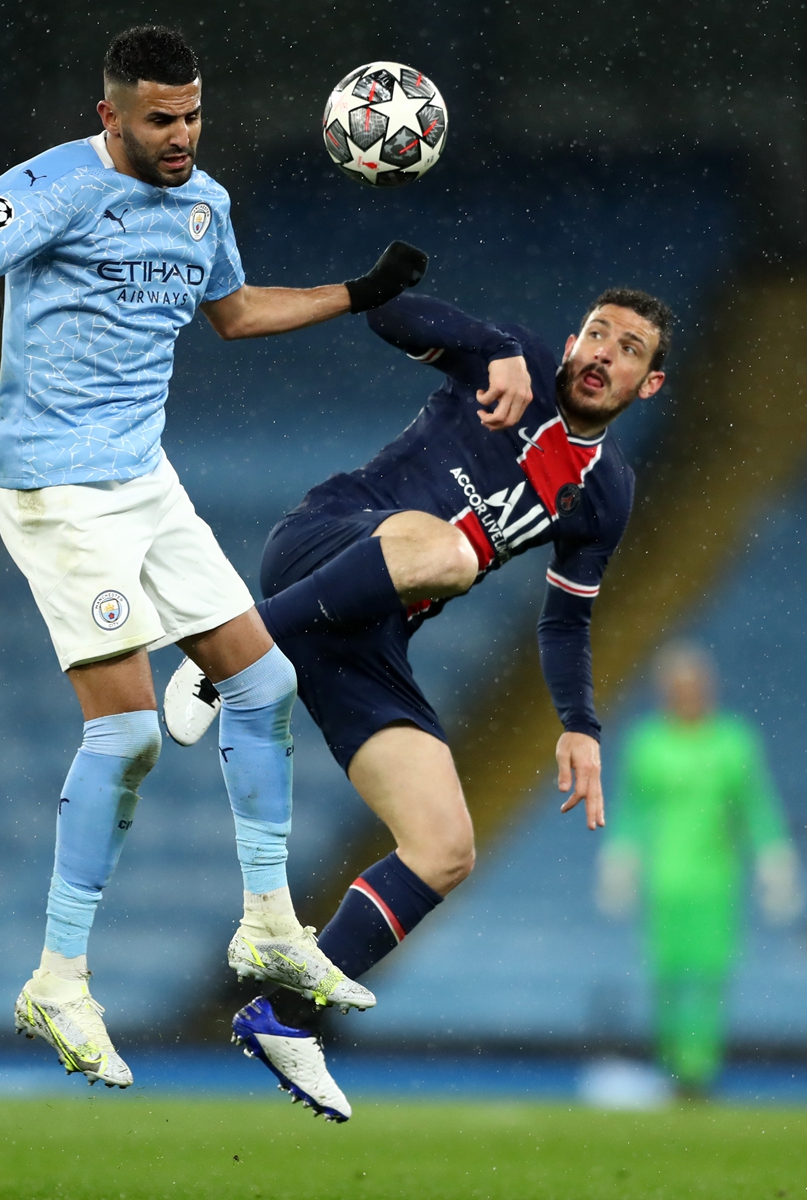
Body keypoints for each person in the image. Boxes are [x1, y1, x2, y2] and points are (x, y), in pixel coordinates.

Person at [0, 24, 428, 1089]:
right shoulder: (51, 185)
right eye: (159, 119)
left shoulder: (207, 205)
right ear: (109, 115)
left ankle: (265, 927)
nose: (181, 136)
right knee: (129, 731)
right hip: (58, 490)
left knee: (261, 679)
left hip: (144, 480)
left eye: (193, 115)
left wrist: (355, 294)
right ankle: (59, 979)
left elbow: (234, 313)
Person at [164, 283, 672, 1119]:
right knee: (452, 552)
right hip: (329, 543)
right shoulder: (519, 357)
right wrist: (486, 340)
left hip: (366, 636)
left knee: (445, 848)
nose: (603, 355)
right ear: (572, 335)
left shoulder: (607, 492)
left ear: (647, 385)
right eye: (597, 334)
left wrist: (579, 724)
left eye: (628, 350)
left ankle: (287, 1022)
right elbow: (389, 312)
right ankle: (233, 652)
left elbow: (567, 619)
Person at [596, 641, 802, 1096]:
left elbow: (757, 806)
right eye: (678, 686)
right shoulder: (648, 744)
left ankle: (699, 1070)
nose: (687, 694)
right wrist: (621, 857)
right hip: (665, 880)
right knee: (666, 975)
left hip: (717, 879)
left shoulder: (734, 741)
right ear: (665, 690)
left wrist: (773, 856)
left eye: (694, 686)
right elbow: (632, 809)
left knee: (711, 975)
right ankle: (672, 1066)